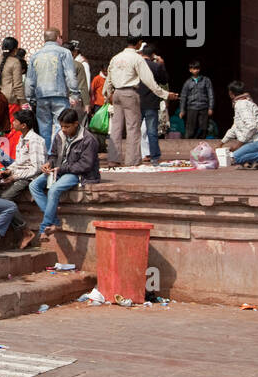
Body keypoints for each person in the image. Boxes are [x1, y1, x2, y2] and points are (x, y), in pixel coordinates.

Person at [102, 36, 177, 166]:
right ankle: (132, 160)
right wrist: (165, 94)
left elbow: (109, 78)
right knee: (133, 128)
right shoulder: (137, 58)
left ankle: (113, 159)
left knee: (116, 127)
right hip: (130, 92)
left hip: (117, 93)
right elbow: (149, 81)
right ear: (138, 44)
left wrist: (107, 94)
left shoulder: (116, 57)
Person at [29, 108, 99, 242]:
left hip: (77, 174)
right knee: (33, 185)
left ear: (76, 124)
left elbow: (85, 165)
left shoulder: (88, 140)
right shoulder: (59, 135)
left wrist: (61, 169)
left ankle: (45, 227)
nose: (64, 129)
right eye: (61, 126)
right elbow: (53, 155)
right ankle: (54, 220)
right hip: (58, 170)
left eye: (67, 126)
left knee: (54, 190)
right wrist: (48, 163)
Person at [0, 109, 45, 246]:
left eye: (15, 121)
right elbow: (19, 162)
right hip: (17, 172)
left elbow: (36, 168)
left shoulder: (35, 140)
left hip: (28, 177)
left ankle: (25, 230)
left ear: (23, 125)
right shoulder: (21, 138)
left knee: (5, 200)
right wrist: (9, 170)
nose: (13, 123)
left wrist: (14, 177)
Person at [24, 28, 80, 145]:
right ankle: (58, 155)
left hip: (41, 97)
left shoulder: (35, 55)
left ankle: (47, 157)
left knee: (44, 130)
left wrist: (30, 98)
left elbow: (29, 81)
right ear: (57, 38)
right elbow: (70, 75)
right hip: (59, 96)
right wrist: (74, 93)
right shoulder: (64, 52)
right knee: (62, 127)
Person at [221, 81, 258, 167]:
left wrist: (238, 145)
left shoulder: (241, 104)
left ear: (231, 93)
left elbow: (252, 127)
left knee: (233, 158)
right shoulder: (244, 103)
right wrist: (221, 143)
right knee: (234, 156)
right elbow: (234, 128)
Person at [137, 45, 168, 163]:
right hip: (151, 103)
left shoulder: (136, 66)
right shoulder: (156, 66)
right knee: (151, 131)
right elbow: (164, 80)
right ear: (153, 55)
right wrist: (162, 64)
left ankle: (136, 155)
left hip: (137, 102)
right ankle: (154, 157)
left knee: (135, 131)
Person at [0, 37, 26, 111]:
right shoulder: (15, 62)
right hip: (10, 100)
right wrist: (23, 102)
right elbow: (18, 85)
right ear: (15, 50)